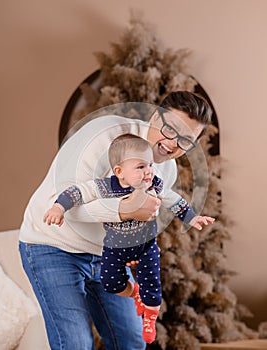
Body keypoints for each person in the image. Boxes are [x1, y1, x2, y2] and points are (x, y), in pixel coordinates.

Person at [19, 91, 213, 349]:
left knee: (131, 340)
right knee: (76, 344)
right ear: (155, 116)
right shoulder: (103, 136)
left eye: (186, 140)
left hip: (106, 256)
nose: (172, 142)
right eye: (170, 128)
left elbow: (145, 215)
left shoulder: (166, 169)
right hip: (52, 244)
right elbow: (65, 204)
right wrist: (123, 210)